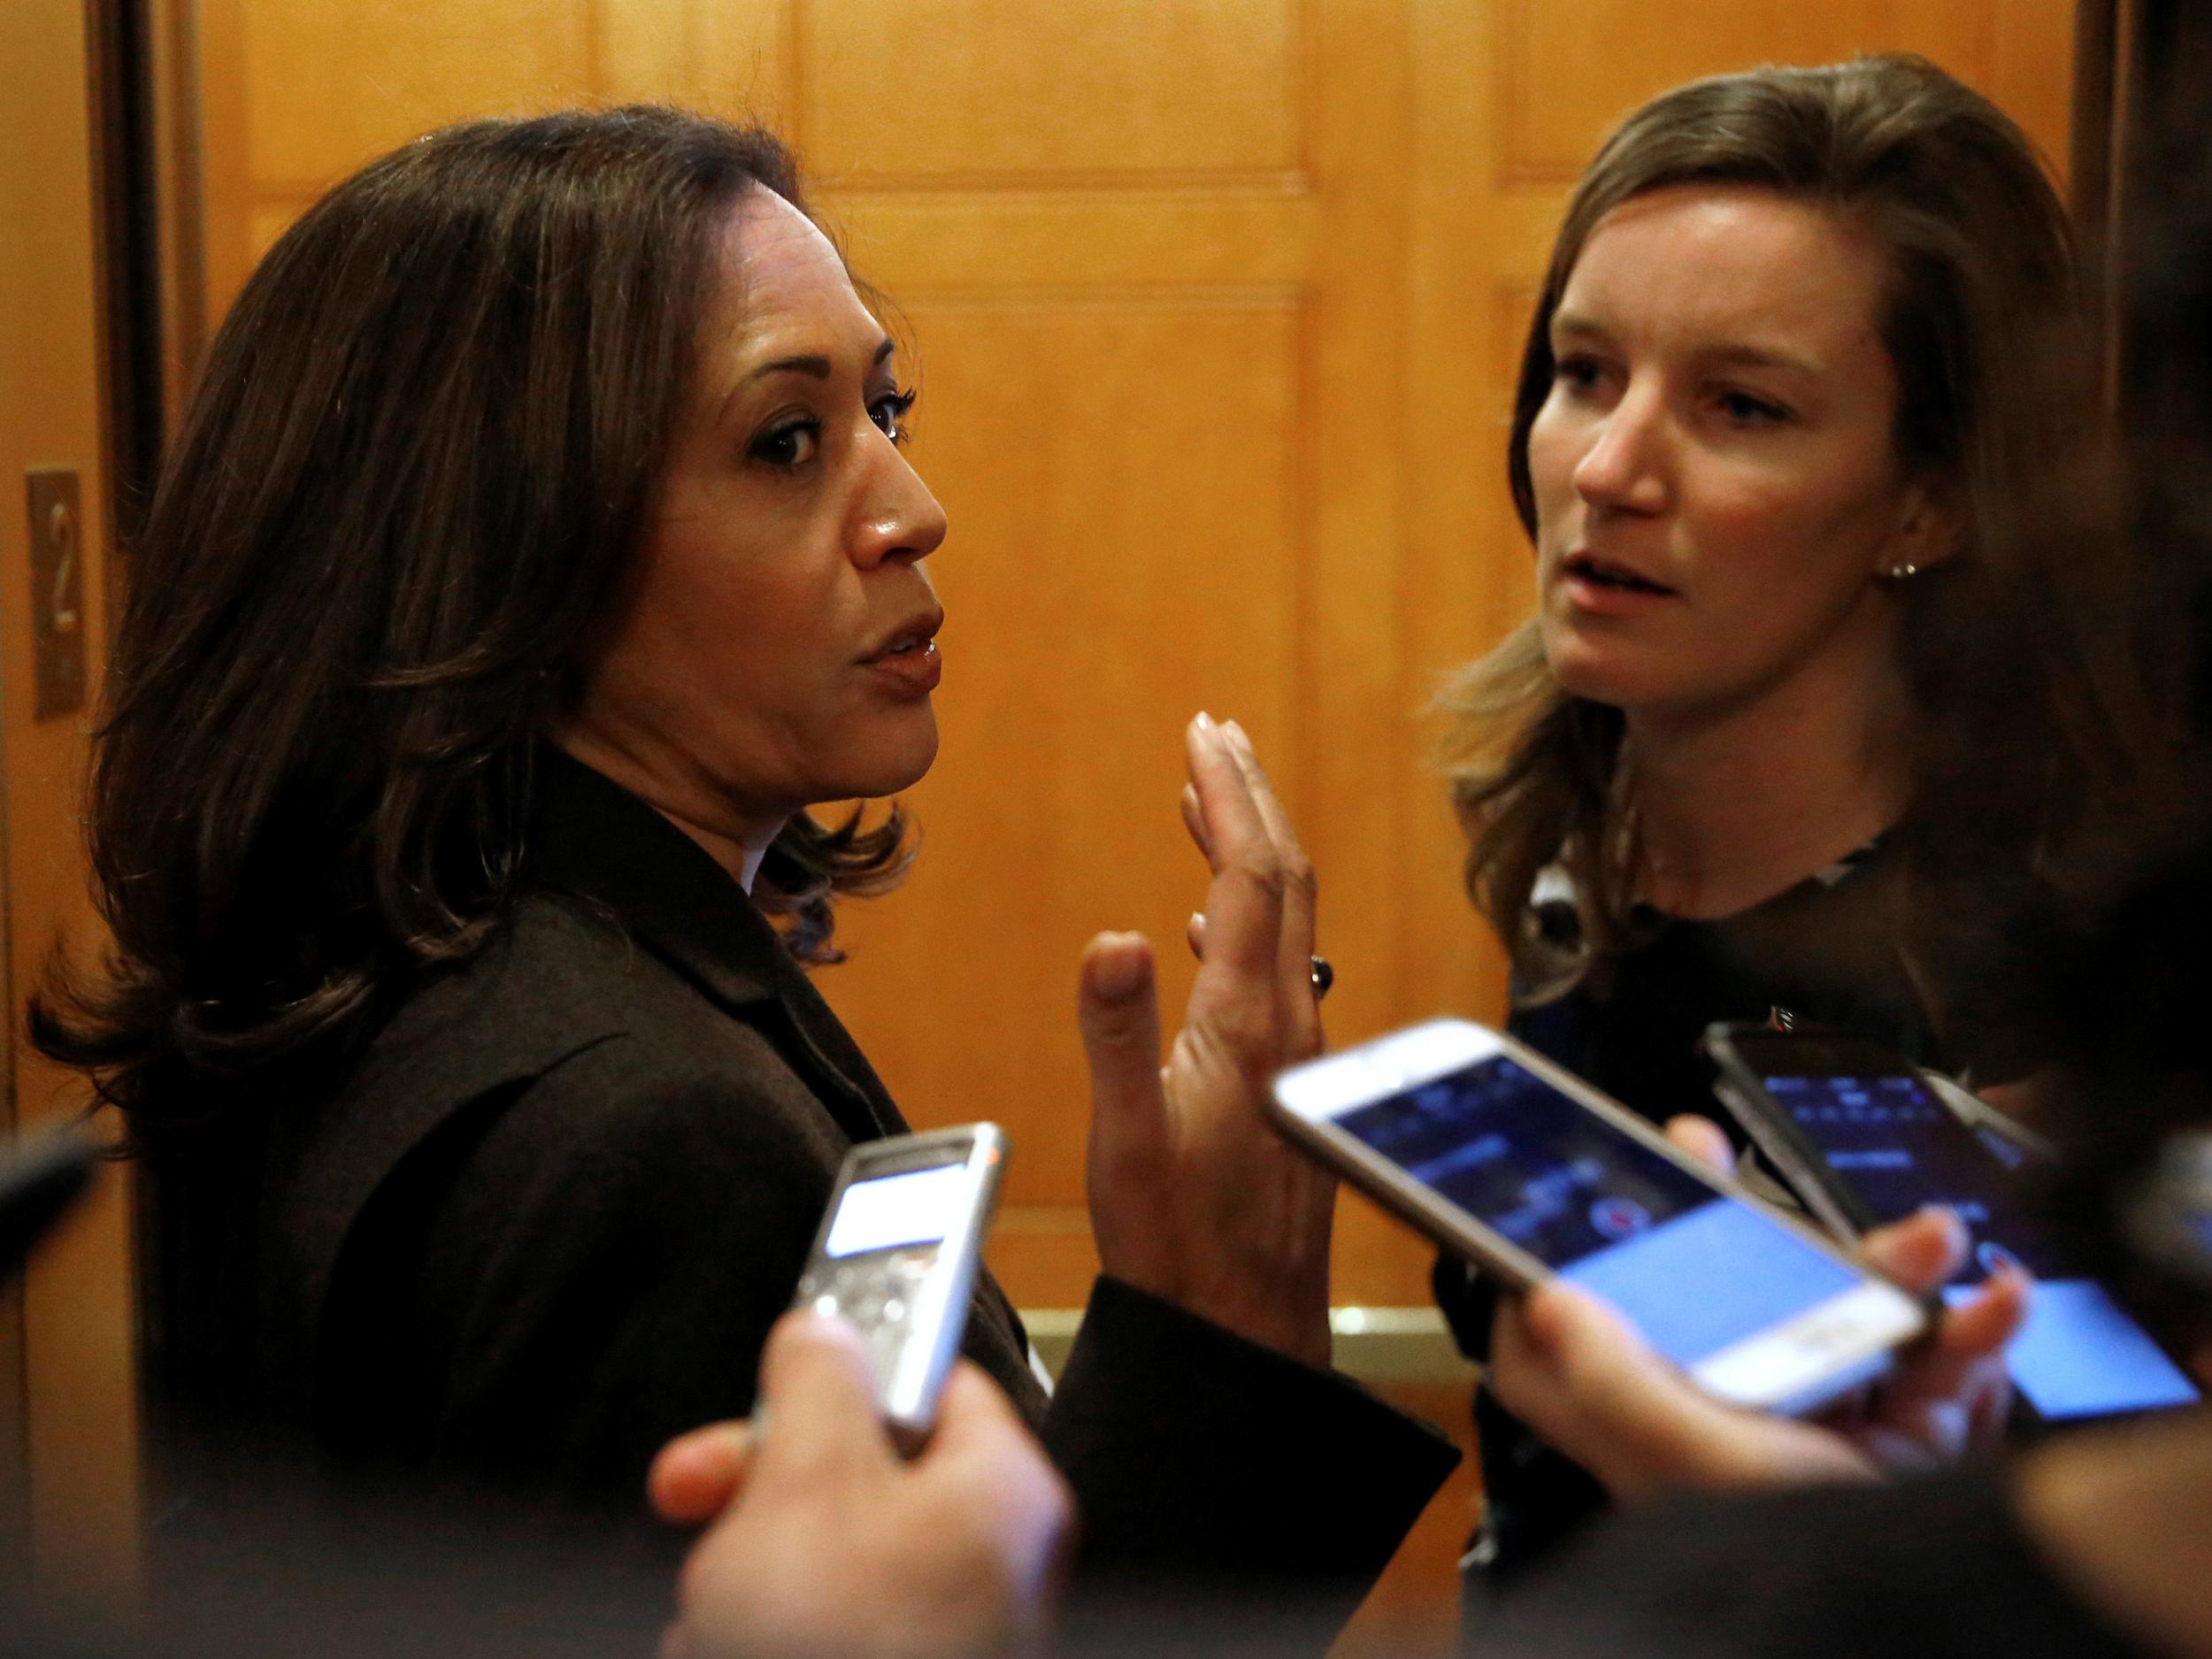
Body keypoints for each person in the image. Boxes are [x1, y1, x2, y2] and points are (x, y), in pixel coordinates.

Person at [28, 107, 1455, 1614]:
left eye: (886, 414)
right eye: (787, 441)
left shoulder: (401, 976)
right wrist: (1220, 1337)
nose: (914, 508)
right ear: (509, 545)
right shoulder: (644, 1131)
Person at [1426, 53, 2147, 1575]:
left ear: (1927, 503)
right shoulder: (1578, 885)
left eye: (1741, 406)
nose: (1611, 467)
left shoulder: (2061, 983)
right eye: (1584, 373)